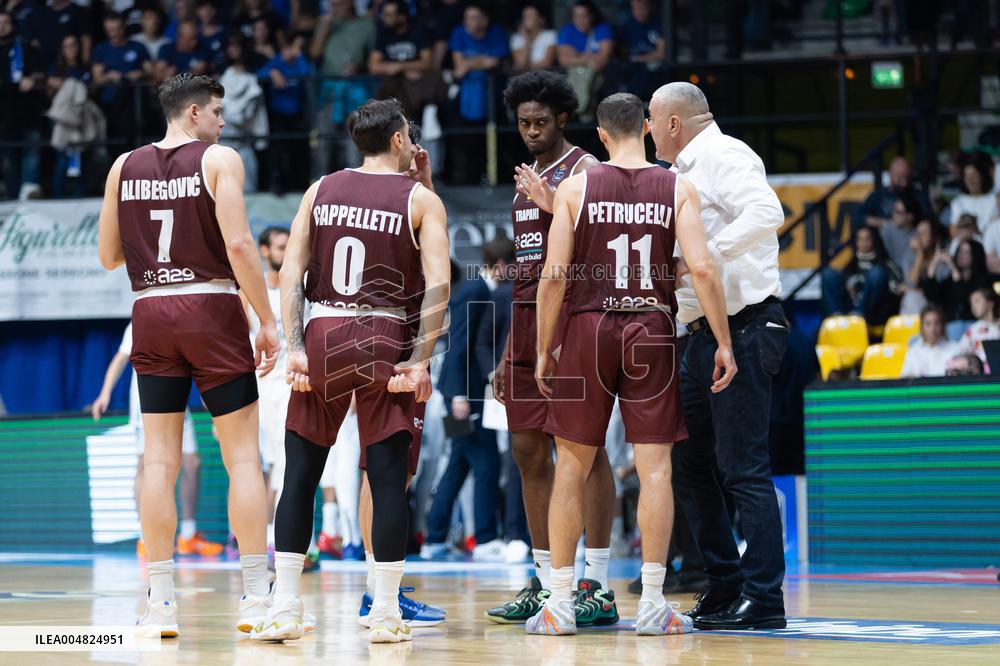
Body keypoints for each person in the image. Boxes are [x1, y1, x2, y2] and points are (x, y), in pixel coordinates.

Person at [526, 92, 733, 637]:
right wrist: (723, 342)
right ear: (646, 126)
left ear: (599, 134)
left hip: (589, 327)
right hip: (652, 327)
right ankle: (653, 604)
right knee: (656, 469)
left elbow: (553, 276)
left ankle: (562, 606)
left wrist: (545, 347)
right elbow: (704, 269)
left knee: (570, 466)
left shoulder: (577, 186)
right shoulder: (676, 185)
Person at [253, 97, 450, 644]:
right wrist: (418, 358)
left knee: (299, 476)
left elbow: (291, 273)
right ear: (397, 140)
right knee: (387, 481)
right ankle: (385, 611)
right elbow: (439, 285)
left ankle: (285, 604)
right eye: (409, 133)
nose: (413, 141)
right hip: (383, 332)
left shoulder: (320, 189)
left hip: (324, 330)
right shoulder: (420, 201)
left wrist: (296, 346)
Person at [97, 73, 280, 637]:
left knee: (158, 461)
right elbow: (241, 245)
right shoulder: (219, 160)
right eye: (219, 113)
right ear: (195, 112)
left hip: (151, 310)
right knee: (243, 459)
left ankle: (161, 602)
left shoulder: (122, 166)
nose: (224, 123)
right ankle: (254, 599)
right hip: (211, 308)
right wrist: (267, 320)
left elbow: (108, 256)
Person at [649, 82, 789, 630]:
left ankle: (764, 598)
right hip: (700, 334)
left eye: (654, 121)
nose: (650, 130)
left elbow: (766, 212)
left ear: (675, 123)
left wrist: (704, 257)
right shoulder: (680, 172)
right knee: (689, 464)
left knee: (743, 469)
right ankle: (724, 583)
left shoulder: (724, 155)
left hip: (747, 327)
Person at [488, 70, 621, 627]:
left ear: (564, 119)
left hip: (573, 317)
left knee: (583, 451)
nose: (531, 131)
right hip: (524, 317)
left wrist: (550, 205)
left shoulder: (587, 169)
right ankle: (547, 580)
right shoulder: (527, 172)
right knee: (525, 450)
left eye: (541, 121)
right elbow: (526, 267)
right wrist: (504, 352)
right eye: (523, 122)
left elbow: (604, 250)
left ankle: (597, 581)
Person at [91, 323, 223, 559]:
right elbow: (120, 359)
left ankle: (188, 535)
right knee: (146, 464)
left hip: (178, 399)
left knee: (192, 462)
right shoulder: (141, 319)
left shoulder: (181, 317)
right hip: (147, 401)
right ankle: (146, 537)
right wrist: (105, 393)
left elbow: (196, 362)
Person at [422, 238, 511, 562]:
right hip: (463, 395)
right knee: (487, 462)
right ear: (501, 265)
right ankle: (486, 539)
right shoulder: (475, 292)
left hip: (462, 392)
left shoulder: (479, 291)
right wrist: (459, 394)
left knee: (458, 463)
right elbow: (458, 345)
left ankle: (434, 537)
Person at [243, 226, 292, 554]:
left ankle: (279, 538)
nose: (285, 253)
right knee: (253, 465)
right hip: (255, 385)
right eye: (279, 247)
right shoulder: (249, 291)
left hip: (286, 386)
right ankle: (252, 538)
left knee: (286, 462)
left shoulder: (297, 289)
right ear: (263, 251)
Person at [309, 0, 375, 173]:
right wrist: (325, 26)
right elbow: (314, 53)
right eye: (332, 4)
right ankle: (320, 183)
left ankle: (356, 186)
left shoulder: (366, 25)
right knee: (324, 140)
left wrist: (359, 67)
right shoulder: (326, 24)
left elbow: (373, 60)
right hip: (329, 91)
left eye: (338, 3)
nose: (334, 7)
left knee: (354, 141)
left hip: (356, 90)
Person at [368, 0, 444, 123]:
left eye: (390, 15)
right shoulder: (383, 32)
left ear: (402, 17)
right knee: (390, 87)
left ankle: (427, 118)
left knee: (432, 78)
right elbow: (374, 66)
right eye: (384, 14)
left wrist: (399, 67)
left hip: (419, 80)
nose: (385, 18)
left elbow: (428, 62)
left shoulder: (418, 29)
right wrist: (404, 69)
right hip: (395, 81)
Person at [258, 32, 312, 193]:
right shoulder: (277, 62)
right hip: (278, 115)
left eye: (296, 48)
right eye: (290, 48)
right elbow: (259, 74)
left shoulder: (299, 63)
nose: (292, 52)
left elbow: (306, 74)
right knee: (278, 153)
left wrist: (299, 55)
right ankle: (277, 185)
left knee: (297, 152)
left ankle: (298, 185)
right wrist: (272, 72)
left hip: (297, 116)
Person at [0, 10, 44, 201]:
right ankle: (11, 198)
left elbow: (42, 74)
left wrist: (32, 79)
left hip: (28, 111)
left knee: (31, 152)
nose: (2, 26)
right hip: (3, 113)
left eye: (6, 22)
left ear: (13, 24)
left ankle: (27, 197)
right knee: (8, 157)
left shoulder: (25, 47)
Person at [821, 225, 903, 326]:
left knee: (876, 273)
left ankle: (859, 316)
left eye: (867, 239)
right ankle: (836, 320)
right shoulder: (851, 265)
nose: (863, 243)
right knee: (828, 273)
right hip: (850, 309)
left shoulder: (886, 264)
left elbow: (897, 289)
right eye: (860, 239)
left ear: (874, 240)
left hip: (873, 314)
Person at [921, 238, 992, 339]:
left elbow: (964, 296)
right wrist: (934, 262)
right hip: (950, 327)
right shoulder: (949, 281)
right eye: (960, 251)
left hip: (974, 326)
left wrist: (952, 266)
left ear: (976, 255)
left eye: (967, 252)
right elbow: (930, 294)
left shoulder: (984, 281)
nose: (962, 255)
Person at [449, 4, 508, 123]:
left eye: (473, 18)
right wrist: (482, 60)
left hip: (492, 89)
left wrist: (469, 64)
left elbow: (493, 62)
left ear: (485, 20)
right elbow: (459, 67)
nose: (468, 22)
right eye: (467, 18)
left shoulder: (495, 31)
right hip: (466, 90)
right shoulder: (459, 32)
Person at [556, 0, 613, 120]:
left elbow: (603, 59)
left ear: (592, 16)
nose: (580, 20)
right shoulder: (567, 30)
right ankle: (580, 110)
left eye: (584, 16)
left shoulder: (602, 29)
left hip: (600, 79)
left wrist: (576, 55)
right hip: (573, 75)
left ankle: (581, 109)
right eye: (577, 16)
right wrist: (588, 60)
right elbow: (564, 60)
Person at [853, 155, 933, 229]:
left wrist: (910, 221)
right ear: (890, 174)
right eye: (900, 178)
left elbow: (930, 218)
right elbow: (858, 218)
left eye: (907, 177)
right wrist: (884, 223)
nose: (904, 183)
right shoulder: (878, 196)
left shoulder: (917, 196)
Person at [900, 306, 960, 378]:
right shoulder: (913, 351)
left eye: (937, 323)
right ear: (921, 326)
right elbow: (904, 378)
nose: (932, 329)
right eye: (928, 324)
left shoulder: (954, 348)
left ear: (942, 326)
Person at [902, 219, 947, 314]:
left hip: (939, 306)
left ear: (934, 238)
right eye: (918, 233)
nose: (919, 238)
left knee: (911, 296)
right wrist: (920, 253)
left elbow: (937, 292)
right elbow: (911, 284)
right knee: (910, 298)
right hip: (917, 304)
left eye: (924, 233)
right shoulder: (910, 255)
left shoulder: (943, 258)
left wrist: (914, 290)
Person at [622, 0, 664, 99]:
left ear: (649, 7)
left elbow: (661, 53)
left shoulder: (658, 24)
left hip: (655, 72)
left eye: (643, 7)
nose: (640, 11)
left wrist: (637, 58)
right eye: (636, 8)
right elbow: (622, 52)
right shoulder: (627, 26)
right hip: (632, 73)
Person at [949, 157, 997, 233]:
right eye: (967, 177)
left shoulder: (994, 200)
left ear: (982, 176)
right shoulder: (958, 202)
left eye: (974, 175)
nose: (970, 180)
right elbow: (954, 231)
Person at [958, 288, 1000, 366]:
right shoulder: (973, 329)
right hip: (981, 373)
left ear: (990, 304)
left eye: (977, 301)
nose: (973, 306)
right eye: (971, 303)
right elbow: (961, 350)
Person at [510, 4, 556, 72]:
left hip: (545, 76)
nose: (527, 19)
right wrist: (527, 40)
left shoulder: (550, 35)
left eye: (531, 16)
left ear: (541, 19)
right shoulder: (516, 38)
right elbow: (521, 64)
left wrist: (526, 67)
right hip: (524, 78)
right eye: (525, 16)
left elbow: (546, 64)